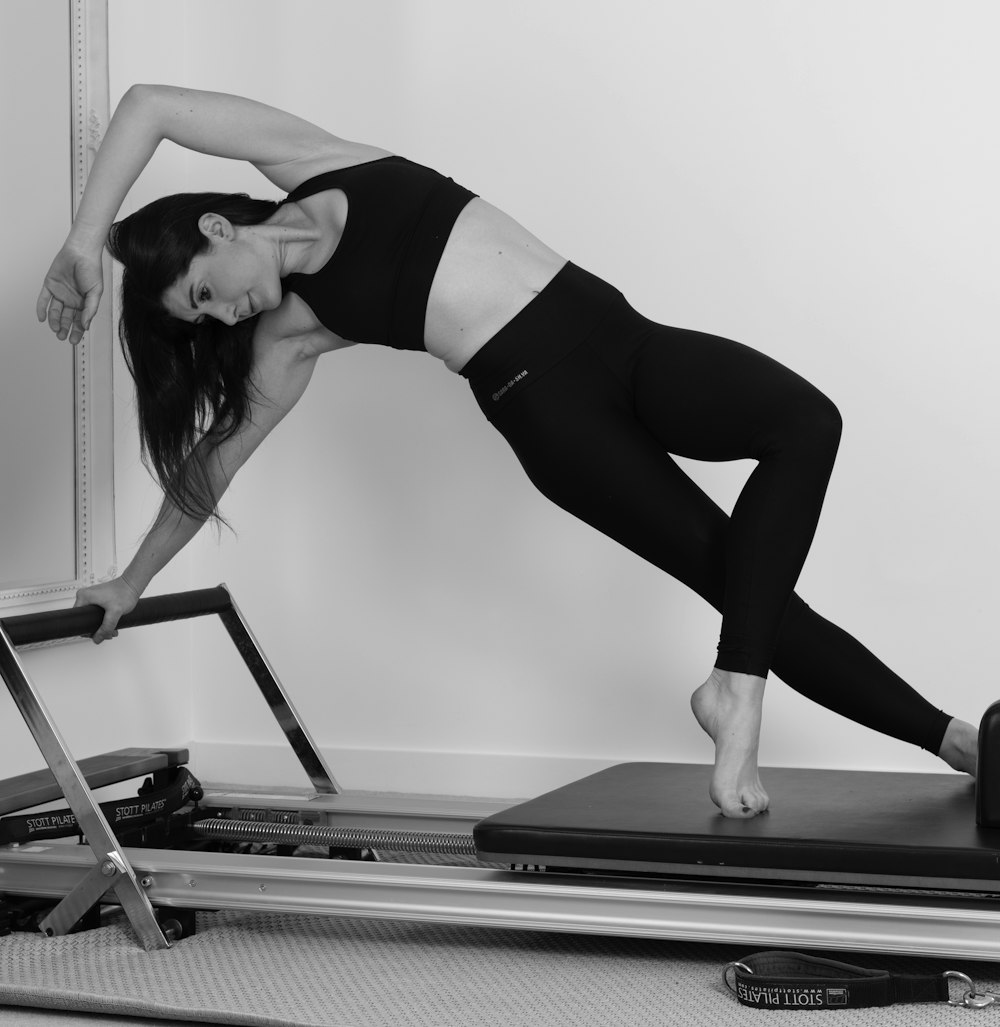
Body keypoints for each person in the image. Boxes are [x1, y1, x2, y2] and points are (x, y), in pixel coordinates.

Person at [37, 85, 979, 818]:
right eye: (202, 320)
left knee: (805, 427)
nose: (223, 316)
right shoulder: (294, 334)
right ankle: (944, 738)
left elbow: (151, 106)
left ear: (215, 229)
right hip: (555, 418)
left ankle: (760, 691)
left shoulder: (326, 163)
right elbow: (213, 465)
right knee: (745, 583)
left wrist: (87, 239)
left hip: (628, 344)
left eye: (203, 293)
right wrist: (131, 582)